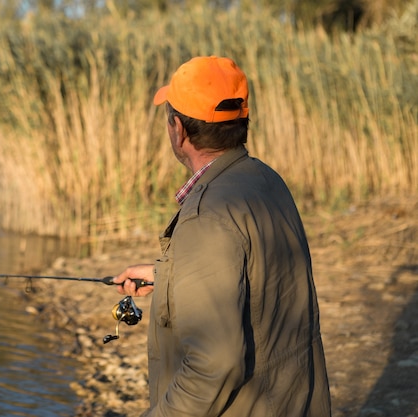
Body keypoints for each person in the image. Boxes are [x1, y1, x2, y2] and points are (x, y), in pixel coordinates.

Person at [113, 56, 331, 416]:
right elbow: (256, 278)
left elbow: (214, 365)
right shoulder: (263, 179)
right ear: (241, 120)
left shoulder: (208, 215)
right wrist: (167, 276)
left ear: (178, 130)